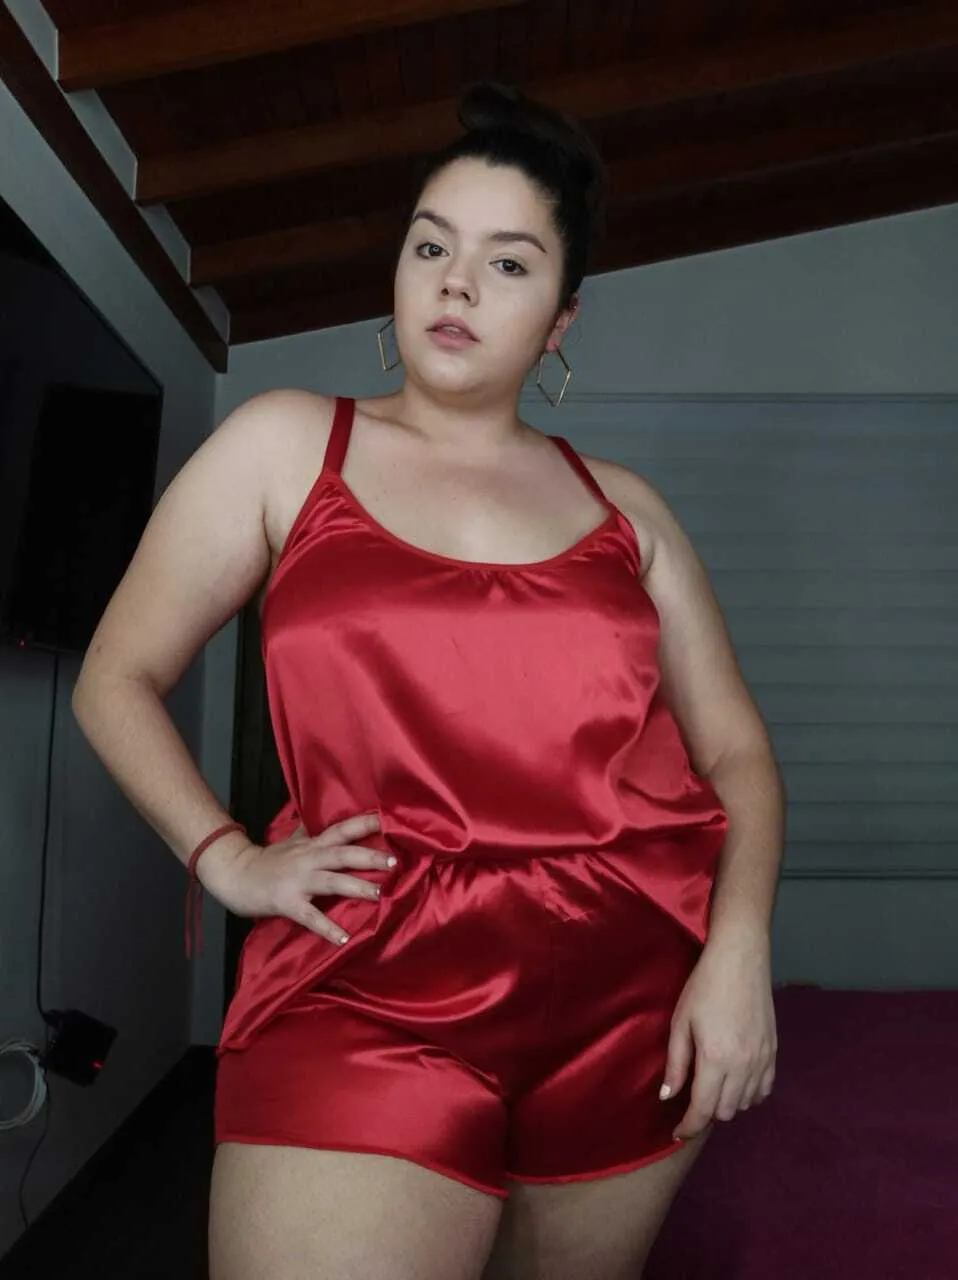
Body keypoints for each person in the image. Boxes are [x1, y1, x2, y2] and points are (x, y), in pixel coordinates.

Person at [73, 81, 784, 1280]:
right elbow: (115, 674)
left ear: (559, 319)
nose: (456, 284)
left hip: (624, 1001)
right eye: (430, 246)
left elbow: (737, 755)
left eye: (507, 264)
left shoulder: (629, 512)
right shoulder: (285, 443)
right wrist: (224, 855)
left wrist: (738, 950)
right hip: (361, 980)